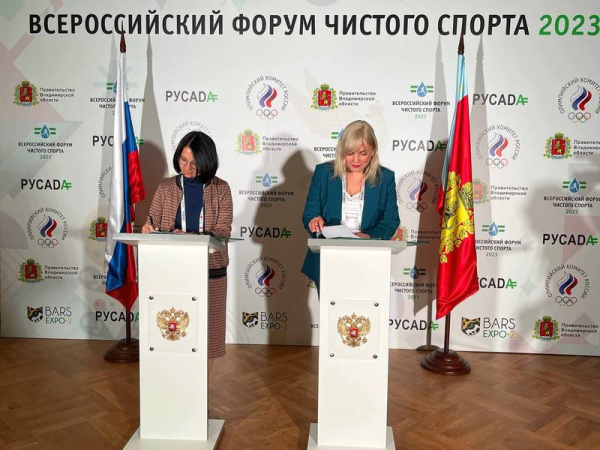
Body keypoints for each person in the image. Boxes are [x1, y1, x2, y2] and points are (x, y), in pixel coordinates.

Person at [142, 131, 232, 361]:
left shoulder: (221, 188)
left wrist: (190, 236)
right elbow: (150, 221)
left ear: (207, 162)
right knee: (170, 336)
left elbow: (223, 231)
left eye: (194, 163)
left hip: (210, 272)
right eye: (183, 160)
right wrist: (148, 229)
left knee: (207, 340)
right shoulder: (165, 187)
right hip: (169, 269)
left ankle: (201, 384)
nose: (188, 168)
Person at [301, 120, 400, 291]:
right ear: (342, 151)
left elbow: (391, 221)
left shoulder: (386, 178)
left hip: (370, 259)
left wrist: (368, 236)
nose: (356, 160)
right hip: (328, 258)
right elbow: (310, 212)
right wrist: (314, 220)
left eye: (363, 153)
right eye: (350, 153)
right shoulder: (323, 173)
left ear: (373, 151)